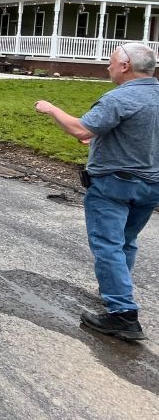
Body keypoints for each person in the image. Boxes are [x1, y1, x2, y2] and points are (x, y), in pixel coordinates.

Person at [34, 42, 159, 342]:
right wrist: (103, 141)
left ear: (125, 66)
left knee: (107, 245)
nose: (108, 67)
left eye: (112, 62)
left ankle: (123, 314)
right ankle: (114, 291)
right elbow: (141, 133)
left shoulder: (120, 98)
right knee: (126, 241)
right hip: (151, 184)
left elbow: (81, 129)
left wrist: (51, 108)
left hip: (115, 183)